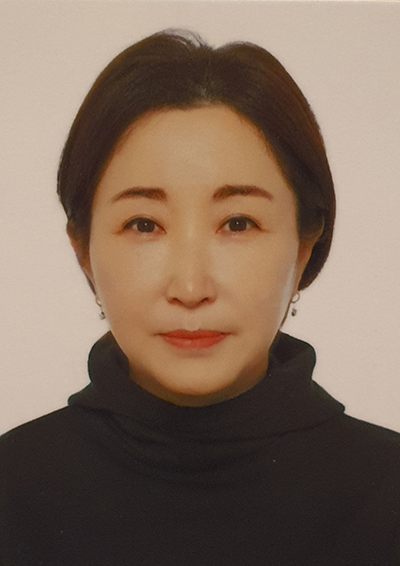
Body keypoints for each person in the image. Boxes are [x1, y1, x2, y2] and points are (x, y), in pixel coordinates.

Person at [1, 30, 399, 565]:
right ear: (83, 249)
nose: (190, 289)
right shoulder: (12, 489)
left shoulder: (387, 493)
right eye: (144, 224)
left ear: (304, 247)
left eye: (238, 223)